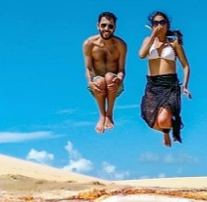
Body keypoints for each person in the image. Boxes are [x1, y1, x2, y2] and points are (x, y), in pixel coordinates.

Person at [139, 11, 191, 147]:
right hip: (153, 84)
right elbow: (141, 55)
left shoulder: (174, 43)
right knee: (148, 118)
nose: (159, 25)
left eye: (162, 22)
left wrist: (185, 86)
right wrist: (153, 35)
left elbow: (185, 66)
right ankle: (168, 129)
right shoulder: (148, 41)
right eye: (156, 23)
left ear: (167, 25)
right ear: (152, 26)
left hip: (170, 84)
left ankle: (168, 130)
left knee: (162, 120)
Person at [82, 12, 127, 133]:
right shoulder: (89, 44)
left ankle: (109, 114)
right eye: (104, 25)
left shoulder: (120, 45)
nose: (106, 29)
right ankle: (102, 115)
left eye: (110, 26)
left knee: (108, 77)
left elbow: (122, 69)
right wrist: (90, 82)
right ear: (98, 25)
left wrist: (119, 78)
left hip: (114, 83)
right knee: (101, 80)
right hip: (97, 84)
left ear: (114, 28)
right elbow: (88, 68)